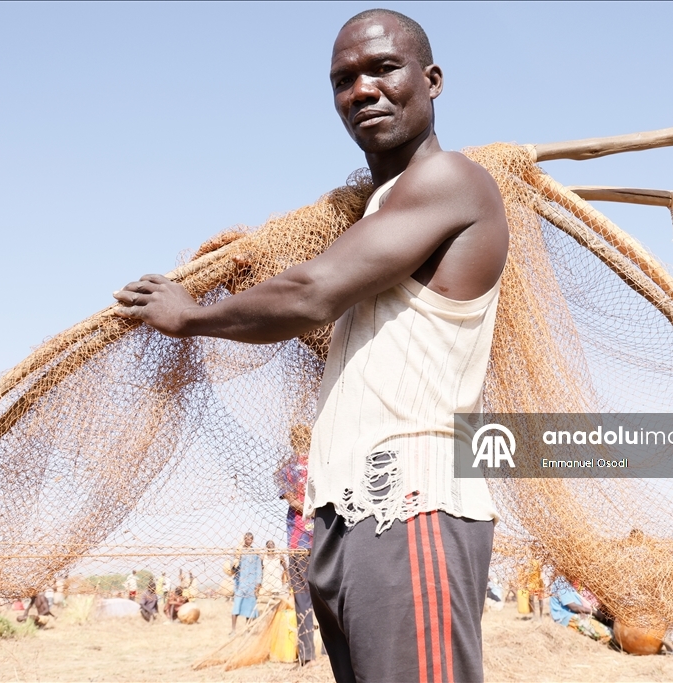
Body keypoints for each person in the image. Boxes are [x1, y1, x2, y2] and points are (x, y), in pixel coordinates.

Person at [113, 9, 508, 682]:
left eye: (384, 68)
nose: (363, 90)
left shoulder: (451, 182)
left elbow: (310, 293)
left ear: (432, 79)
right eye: (344, 79)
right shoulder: (377, 210)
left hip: (409, 503)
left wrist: (191, 316)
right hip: (345, 513)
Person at [276, 424, 318, 667]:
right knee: (327, 592)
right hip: (322, 535)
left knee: (302, 595)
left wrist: (303, 508)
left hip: (298, 539)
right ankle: (330, 651)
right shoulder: (321, 462)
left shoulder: (286, 467)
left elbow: (290, 498)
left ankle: (307, 655)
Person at [549, 575, 612, 643]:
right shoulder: (561, 582)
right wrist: (595, 613)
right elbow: (573, 606)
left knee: (609, 630)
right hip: (567, 618)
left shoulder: (571, 582)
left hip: (575, 615)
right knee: (609, 634)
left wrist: (583, 612)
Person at [230, 532, 262, 635]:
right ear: (243, 539)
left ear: (253, 540)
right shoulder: (239, 551)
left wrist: (258, 583)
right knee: (236, 606)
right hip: (240, 583)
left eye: (251, 538)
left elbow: (258, 568)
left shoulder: (255, 553)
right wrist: (234, 563)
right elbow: (232, 567)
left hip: (251, 584)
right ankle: (233, 630)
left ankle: (247, 629)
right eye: (247, 538)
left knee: (249, 607)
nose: (249, 540)